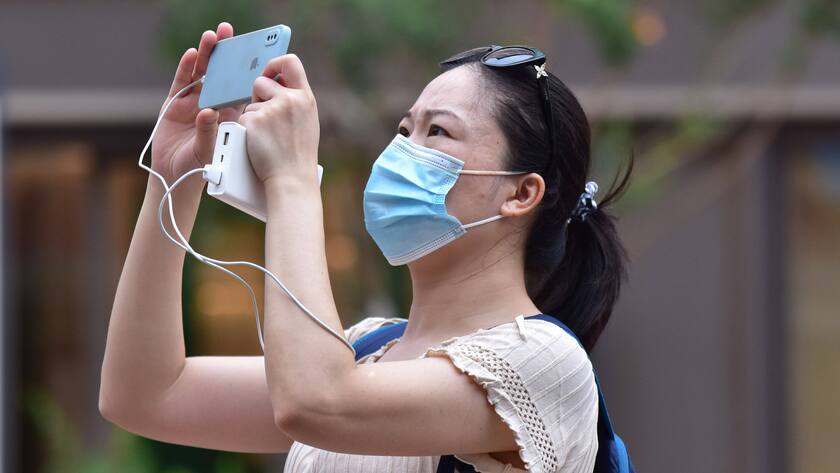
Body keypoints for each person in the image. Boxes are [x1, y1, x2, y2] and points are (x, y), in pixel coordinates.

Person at [99, 21, 632, 473]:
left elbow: (315, 402)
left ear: (521, 192)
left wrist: (294, 179)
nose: (402, 151)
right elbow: (145, 395)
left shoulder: (541, 362)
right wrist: (174, 179)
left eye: (438, 132)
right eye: (404, 129)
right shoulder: (367, 347)